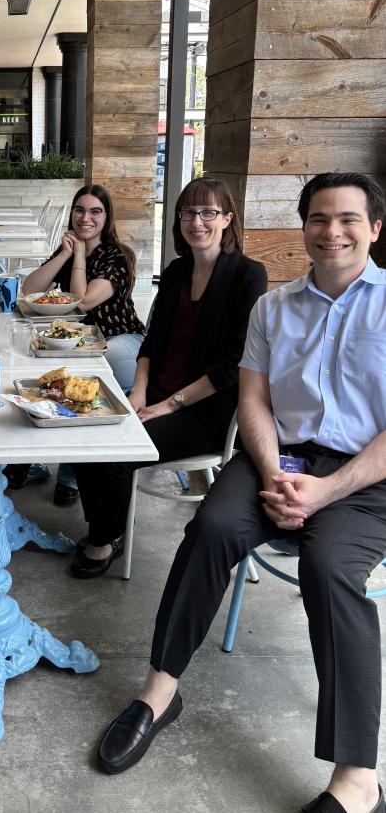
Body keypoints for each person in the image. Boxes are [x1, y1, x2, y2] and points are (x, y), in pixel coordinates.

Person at [96, 172, 386, 813]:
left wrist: (326, 490)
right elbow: (253, 400)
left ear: (374, 228)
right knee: (211, 528)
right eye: (318, 218)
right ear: (303, 226)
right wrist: (276, 473)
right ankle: (159, 692)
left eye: (347, 219)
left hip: (365, 475)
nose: (331, 231)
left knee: (330, 565)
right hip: (275, 457)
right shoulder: (274, 308)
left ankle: (358, 777)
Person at [70, 177, 267, 577]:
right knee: (84, 432)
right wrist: (139, 393)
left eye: (208, 212)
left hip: (206, 410)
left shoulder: (247, 274)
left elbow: (232, 365)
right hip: (157, 393)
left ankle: (106, 537)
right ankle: (107, 523)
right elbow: (152, 341)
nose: (197, 222)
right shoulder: (177, 270)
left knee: (117, 453)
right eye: (188, 213)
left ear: (227, 219)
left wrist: (169, 405)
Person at [18, 184, 147, 504]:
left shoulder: (117, 256)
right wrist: (64, 252)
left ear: (107, 217)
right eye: (79, 210)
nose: (85, 218)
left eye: (95, 212)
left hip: (120, 340)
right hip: (80, 341)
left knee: (84, 383)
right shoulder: (69, 247)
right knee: (32, 370)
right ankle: (23, 458)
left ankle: (71, 474)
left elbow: (83, 301)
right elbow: (29, 289)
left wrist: (77, 255)